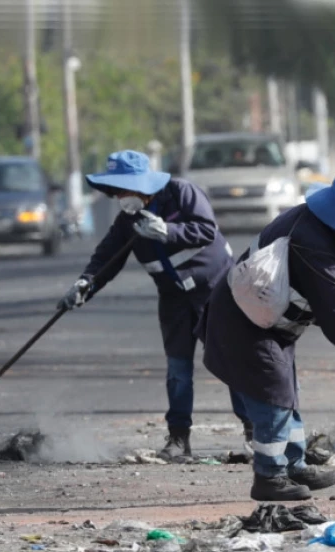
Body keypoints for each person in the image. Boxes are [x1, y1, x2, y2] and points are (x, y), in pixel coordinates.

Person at [201, 173, 335, 502]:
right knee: (272, 395)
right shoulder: (312, 242)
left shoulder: (309, 220)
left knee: (287, 392)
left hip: (265, 322)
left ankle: (293, 464)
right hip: (243, 323)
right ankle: (269, 477)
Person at [58, 150, 235, 459]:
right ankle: (178, 438)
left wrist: (169, 231)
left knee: (232, 363)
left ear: (143, 185)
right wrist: (86, 284)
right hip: (174, 299)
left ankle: (253, 430)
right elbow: (105, 259)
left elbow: (207, 230)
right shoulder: (128, 221)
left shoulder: (182, 193)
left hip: (213, 292)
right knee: (178, 370)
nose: (120, 196)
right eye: (116, 191)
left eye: (125, 189)